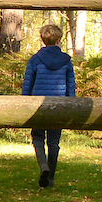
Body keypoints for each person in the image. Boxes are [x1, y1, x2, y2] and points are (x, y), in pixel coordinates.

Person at [19, 23, 77, 189]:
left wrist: (25, 103)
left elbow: (28, 83)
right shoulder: (66, 61)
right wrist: (71, 103)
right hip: (59, 105)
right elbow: (70, 84)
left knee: (38, 138)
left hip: (38, 105)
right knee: (53, 143)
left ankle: (43, 166)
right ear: (59, 40)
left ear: (43, 40)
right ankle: (50, 178)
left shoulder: (35, 60)